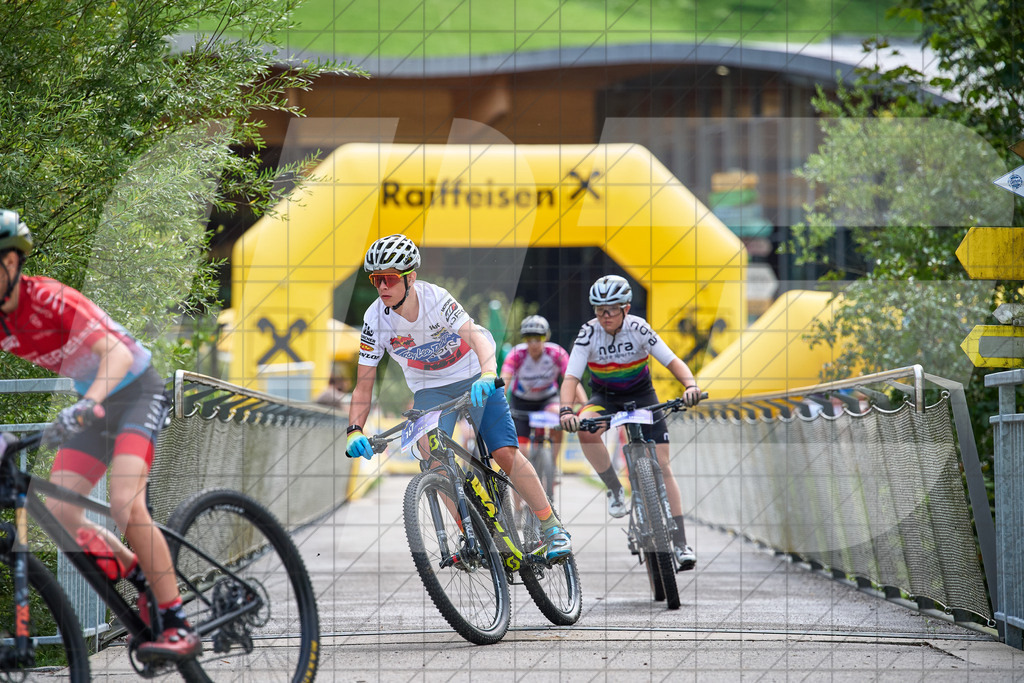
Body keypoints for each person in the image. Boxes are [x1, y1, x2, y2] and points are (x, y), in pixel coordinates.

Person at [0, 209, 199, 661]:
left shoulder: (51, 299)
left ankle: (176, 619)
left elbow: (116, 356)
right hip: (92, 406)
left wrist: (88, 404)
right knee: (61, 512)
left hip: (135, 391)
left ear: (12, 263)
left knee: (124, 503)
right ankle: (142, 580)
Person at [344, 234, 572, 561]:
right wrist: (354, 429)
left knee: (505, 452)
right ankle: (473, 533)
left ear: (410, 278)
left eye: (389, 278)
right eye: (375, 279)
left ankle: (552, 526)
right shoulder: (374, 320)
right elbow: (363, 385)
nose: (381, 286)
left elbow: (477, 336)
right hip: (430, 389)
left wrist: (488, 373)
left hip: (472, 376)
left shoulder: (436, 299)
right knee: (430, 454)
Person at [558, 274, 702, 571]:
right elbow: (571, 377)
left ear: (626, 308)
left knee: (663, 466)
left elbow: (672, 361)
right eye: (599, 310)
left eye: (611, 309)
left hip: (642, 396)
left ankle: (681, 543)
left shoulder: (639, 328)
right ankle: (613, 488)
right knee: (586, 430)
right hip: (605, 397)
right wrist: (565, 411)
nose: (605, 315)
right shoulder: (588, 333)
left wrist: (690, 386)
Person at [499, 315, 585, 467]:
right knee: (522, 450)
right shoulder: (516, 354)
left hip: (547, 399)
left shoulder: (557, 353)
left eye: (538, 338)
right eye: (529, 338)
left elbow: (572, 380)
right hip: (521, 402)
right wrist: (496, 403)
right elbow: (504, 381)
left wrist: (585, 405)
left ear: (546, 337)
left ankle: (553, 463)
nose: (533, 343)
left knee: (561, 415)